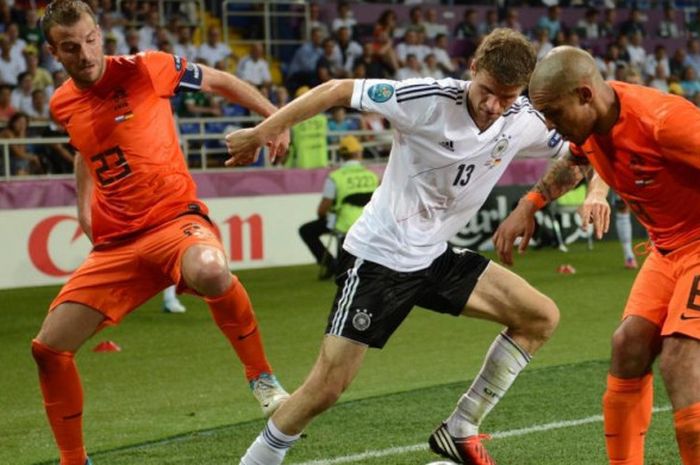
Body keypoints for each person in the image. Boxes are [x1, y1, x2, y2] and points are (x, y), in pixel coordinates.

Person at [226, 28, 562, 465]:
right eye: (486, 91)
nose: (493, 106)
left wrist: (555, 199)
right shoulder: (426, 99)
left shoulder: (521, 116)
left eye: (506, 96)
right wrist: (262, 132)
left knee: (540, 317)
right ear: (472, 69)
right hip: (379, 257)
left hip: (434, 257)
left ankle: (459, 428)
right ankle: (255, 461)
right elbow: (334, 90)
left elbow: (578, 146)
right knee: (327, 388)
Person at [32, 2, 290, 465]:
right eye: (71, 47)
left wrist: (274, 120)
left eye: (91, 39)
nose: (86, 53)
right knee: (49, 348)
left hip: (173, 220)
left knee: (211, 270)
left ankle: (261, 378)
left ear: (100, 35)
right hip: (116, 244)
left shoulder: (146, 68)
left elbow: (219, 80)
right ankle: (74, 461)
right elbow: (85, 151)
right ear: (54, 52)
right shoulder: (61, 102)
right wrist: (82, 208)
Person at [493, 45, 700, 465]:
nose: (551, 125)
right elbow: (574, 161)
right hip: (664, 251)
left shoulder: (664, 122)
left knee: (680, 357)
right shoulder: (589, 128)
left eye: (554, 113)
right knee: (627, 346)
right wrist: (528, 205)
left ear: (585, 95)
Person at [298, 135, 378, 279]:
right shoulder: (372, 176)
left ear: (341, 155)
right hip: (368, 223)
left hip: (343, 224)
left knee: (306, 231)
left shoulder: (336, 176)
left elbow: (322, 209)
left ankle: (330, 264)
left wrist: (324, 216)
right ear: (359, 153)